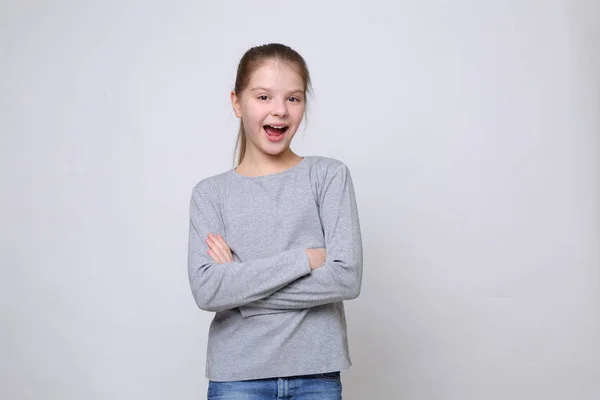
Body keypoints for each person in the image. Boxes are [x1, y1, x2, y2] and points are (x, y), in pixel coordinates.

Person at [187, 43, 363, 400]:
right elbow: (208, 291)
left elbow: (346, 277)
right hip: (236, 378)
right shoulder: (210, 194)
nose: (280, 110)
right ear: (237, 102)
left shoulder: (328, 176)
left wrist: (241, 290)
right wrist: (306, 259)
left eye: (293, 99)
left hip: (316, 375)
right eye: (264, 97)